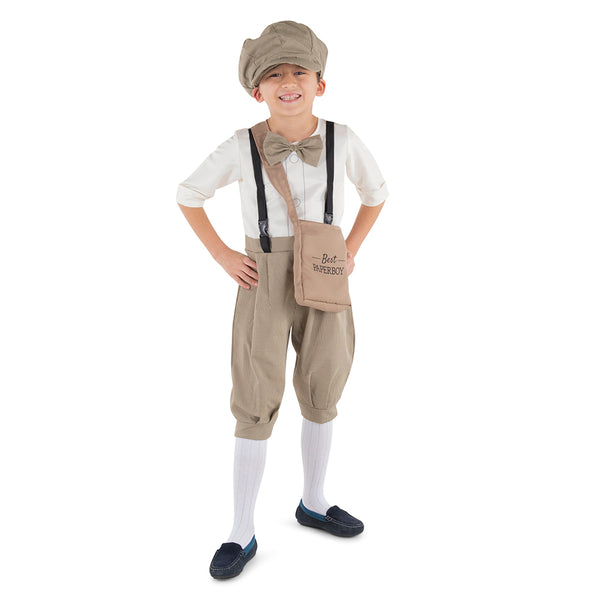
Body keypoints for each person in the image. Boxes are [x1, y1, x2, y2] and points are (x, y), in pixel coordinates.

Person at [176, 20, 388, 579]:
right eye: (274, 75)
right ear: (257, 91)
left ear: (321, 84)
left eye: (299, 72)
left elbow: (377, 193)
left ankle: (313, 501)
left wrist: (350, 249)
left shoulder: (343, 139)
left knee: (324, 381)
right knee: (255, 391)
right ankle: (240, 530)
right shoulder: (240, 145)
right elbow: (188, 193)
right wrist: (223, 254)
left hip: (325, 270)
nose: (288, 82)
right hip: (262, 273)